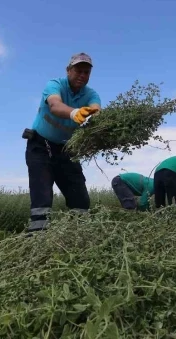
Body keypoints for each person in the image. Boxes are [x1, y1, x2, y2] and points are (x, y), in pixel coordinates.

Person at [24, 53, 101, 232]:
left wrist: (97, 121)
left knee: (80, 198)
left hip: (68, 149)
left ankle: (79, 236)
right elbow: (55, 105)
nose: (82, 75)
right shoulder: (55, 85)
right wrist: (74, 113)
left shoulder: (91, 94)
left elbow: (97, 111)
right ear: (68, 70)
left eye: (86, 72)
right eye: (78, 70)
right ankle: (36, 239)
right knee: (41, 195)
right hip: (40, 146)